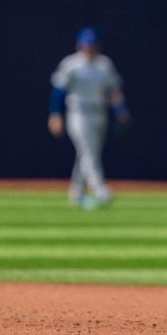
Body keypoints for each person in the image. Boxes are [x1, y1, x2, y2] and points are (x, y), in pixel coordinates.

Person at [48, 27, 130, 209]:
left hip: (99, 112)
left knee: (87, 154)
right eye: (86, 44)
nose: (89, 48)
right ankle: (100, 190)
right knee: (88, 152)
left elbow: (113, 90)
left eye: (92, 44)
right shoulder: (71, 64)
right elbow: (59, 91)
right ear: (80, 45)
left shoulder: (104, 65)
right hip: (78, 113)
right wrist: (55, 114)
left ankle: (76, 193)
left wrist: (121, 111)